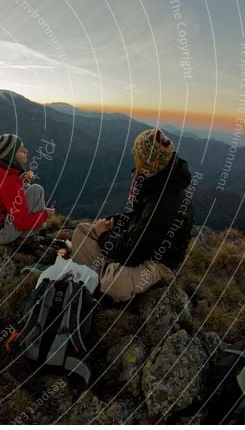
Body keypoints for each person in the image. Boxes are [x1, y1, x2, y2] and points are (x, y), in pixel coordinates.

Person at [70, 127, 194, 301]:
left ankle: (105, 274)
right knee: (81, 231)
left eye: (137, 155)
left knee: (114, 282)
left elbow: (132, 254)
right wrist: (114, 221)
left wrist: (104, 235)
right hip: (137, 245)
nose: (134, 158)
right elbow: (137, 216)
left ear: (147, 160)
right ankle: (105, 269)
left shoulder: (165, 201)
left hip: (156, 261)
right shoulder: (156, 179)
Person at [0, 133, 56, 245]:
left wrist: (20, 181)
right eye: (21, 150)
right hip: (0, 234)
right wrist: (46, 214)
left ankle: (30, 235)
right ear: (11, 155)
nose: (26, 151)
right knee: (36, 190)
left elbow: (4, 195)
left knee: (32, 188)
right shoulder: (8, 180)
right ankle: (28, 239)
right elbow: (22, 222)